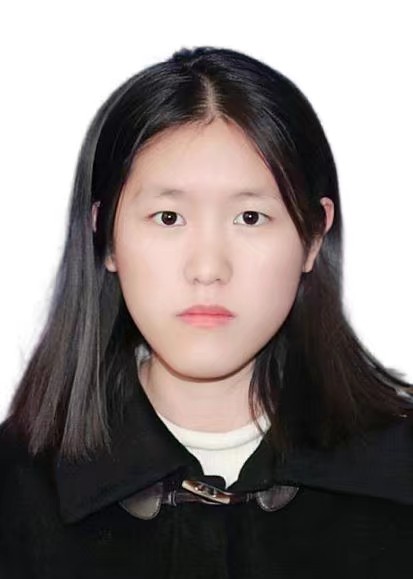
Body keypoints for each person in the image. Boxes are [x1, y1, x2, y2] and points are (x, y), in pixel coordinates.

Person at [1, 45, 413, 578]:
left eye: (250, 217)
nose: (208, 268)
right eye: (168, 217)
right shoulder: (16, 495)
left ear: (313, 236)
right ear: (105, 236)